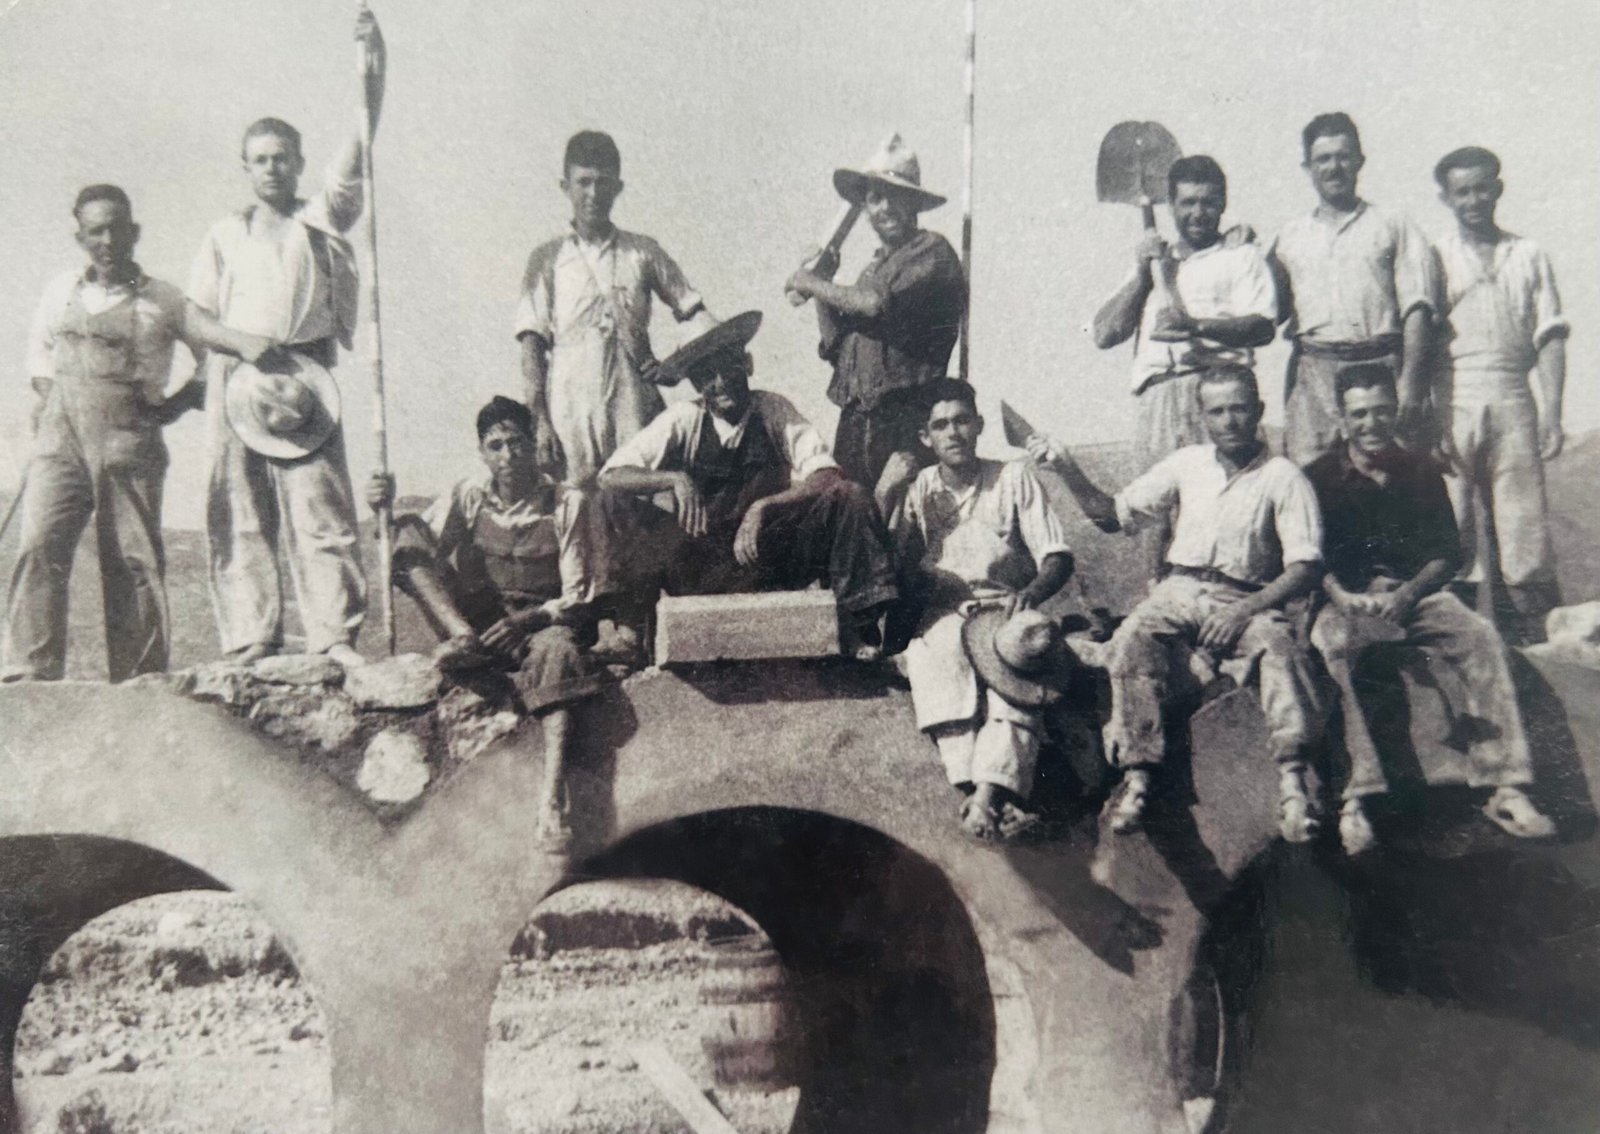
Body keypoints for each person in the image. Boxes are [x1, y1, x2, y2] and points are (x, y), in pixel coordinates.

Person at [1031, 367, 1327, 841]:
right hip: (1179, 588)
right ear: (1202, 417)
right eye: (1217, 411)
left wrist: (1242, 611)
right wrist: (1065, 467)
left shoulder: (1283, 477)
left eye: (1239, 408)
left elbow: (1305, 567)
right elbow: (1110, 515)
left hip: (1244, 596)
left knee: (1281, 649)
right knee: (1132, 640)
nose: (1229, 421)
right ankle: (1138, 777)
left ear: (1258, 410)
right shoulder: (1188, 464)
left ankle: (1294, 783)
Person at [2, 185, 275, 684]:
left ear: (134, 232)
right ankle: (29, 672)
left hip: (129, 441)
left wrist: (175, 404)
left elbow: (210, 352)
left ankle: (139, 679)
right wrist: (52, 401)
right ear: (80, 237)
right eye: (95, 231)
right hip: (59, 442)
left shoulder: (163, 299)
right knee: (39, 545)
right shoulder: (60, 290)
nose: (107, 241)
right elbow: (39, 356)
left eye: (116, 229)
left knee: (133, 560)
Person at [187, 8, 386, 668]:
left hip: (305, 377)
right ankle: (252, 635)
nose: (271, 168)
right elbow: (194, 318)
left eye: (281, 158)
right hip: (236, 377)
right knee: (239, 511)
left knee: (320, 508)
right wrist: (239, 341)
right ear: (246, 168)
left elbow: (361, 137)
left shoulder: (320, 218)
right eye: (260, 160)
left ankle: (334, 634)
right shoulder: (225, 233)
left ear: (298, 163)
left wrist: (373, 63)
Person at [1303, 364, 1555, 854]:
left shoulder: (1419, 470)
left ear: (1395, 411)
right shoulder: (1316, 479)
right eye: (1359, 414)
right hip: (1346, 598)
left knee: (1479, 634)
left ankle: (1505, 786)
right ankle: (1356, 799)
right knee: (1333, 646)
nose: (1371, 423)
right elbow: (1306, 557)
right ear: (1341, 417)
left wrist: (1406, 596)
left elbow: (1445, 553)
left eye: (1381, 411)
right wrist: (1343, 596)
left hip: (1413, 594)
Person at [365, 397, 608, 853]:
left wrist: (530, 619)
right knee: (408, 532)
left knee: (559, 652)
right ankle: (460, 637)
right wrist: (384, 508)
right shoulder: (469, 495)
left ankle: (551, 800)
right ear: (482, 452)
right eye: (495, 446)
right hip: (481, 625)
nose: (507, 456)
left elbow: (579, 594)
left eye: (516, 443)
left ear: (533, 446)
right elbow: (415, 549)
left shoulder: (565, 502)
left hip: (540, 624)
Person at [597, 312, 898, 656]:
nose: (720, 382)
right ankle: (629, 633)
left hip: (767, 559)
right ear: (695, 383)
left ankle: (858, 628)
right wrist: (673, 478)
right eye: (706, 375)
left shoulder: (772, 409)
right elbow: (611, 476)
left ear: (748, 364)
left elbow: (827, 475)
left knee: (850, 495)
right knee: (617, 500)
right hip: (704, 565)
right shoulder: (685, 418)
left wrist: (763, 506)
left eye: (728, 367)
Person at [881, 378, 1075, 841]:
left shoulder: (1012, 477)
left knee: (1020, 667)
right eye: (940, 425)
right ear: (926, 437)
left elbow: (1057, 556)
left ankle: (986, 796)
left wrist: (1031, 593)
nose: (953, 433)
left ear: (979, 425)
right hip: (946, 610)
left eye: (962, 421)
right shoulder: (921, 488)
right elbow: (892, 564)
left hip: (1004, 606)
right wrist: (889, 494)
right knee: (936, 660)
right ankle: (980, 791)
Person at [515, 130, 711, 485]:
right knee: (575, 500)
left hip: (632, 403)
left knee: (639, 496)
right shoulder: (546, 259)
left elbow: (693, 311)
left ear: (617, 187)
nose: (593, 194)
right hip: (570, 408)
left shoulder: (643, 251)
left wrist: (677, 367)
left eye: (603, 183)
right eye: (583, 182)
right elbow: (531, 346)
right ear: (565, 186)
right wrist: (539, 420)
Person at [1432, 146, 1569, 643]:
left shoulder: (1527, 254)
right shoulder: (1436, 256)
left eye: (1482, 188)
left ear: (1498, 189)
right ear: (1446, 198)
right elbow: (1423, 339)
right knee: (1453, 523)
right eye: (1462, 191)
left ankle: (1532, 648)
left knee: (1522, 526)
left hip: (1513, 394)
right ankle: (1460, 645)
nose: (1473, 200)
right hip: (1455, 396)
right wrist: (1429, 416)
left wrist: (1552, 412)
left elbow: (1550, 336)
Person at [786, 135, 967, 492]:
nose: (885, 207)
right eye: (875, 198)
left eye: (895, 196)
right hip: (855, 426)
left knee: (905, 516)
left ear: (913, 202)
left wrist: (809, 282)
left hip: (907, 421)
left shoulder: (931, 251)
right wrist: (824, 284)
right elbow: (837, 347)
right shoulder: (872, 271)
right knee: (850, 515)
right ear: (865, 208)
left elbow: (873, 304)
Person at [1267, 112, 1439, 465]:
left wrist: (1411, 385)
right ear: (1307, 167)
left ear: (1359, 161)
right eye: (1323, 159)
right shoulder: (1289, 236)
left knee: (1392, 474)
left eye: (1343, 157)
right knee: (1311, 475)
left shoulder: (1393, 223)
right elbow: (1268, 310)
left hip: (1381, 366)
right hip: (1314, 371)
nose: (1334, 168)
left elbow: (1418, 310)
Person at [1092, 154, 1276, 471]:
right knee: (1157, 498)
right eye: (1188, 203)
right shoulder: (1155, 262)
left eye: (1208, 203)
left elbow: (1262, 328)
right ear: (1171, 206)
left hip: (1218, 397)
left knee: (1227, 494)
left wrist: (1195, 326)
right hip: (1157, 401)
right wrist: (1142, 276)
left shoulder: (1241, 256)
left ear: (1223, 203)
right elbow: (1103, 334)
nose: (1198, 213)